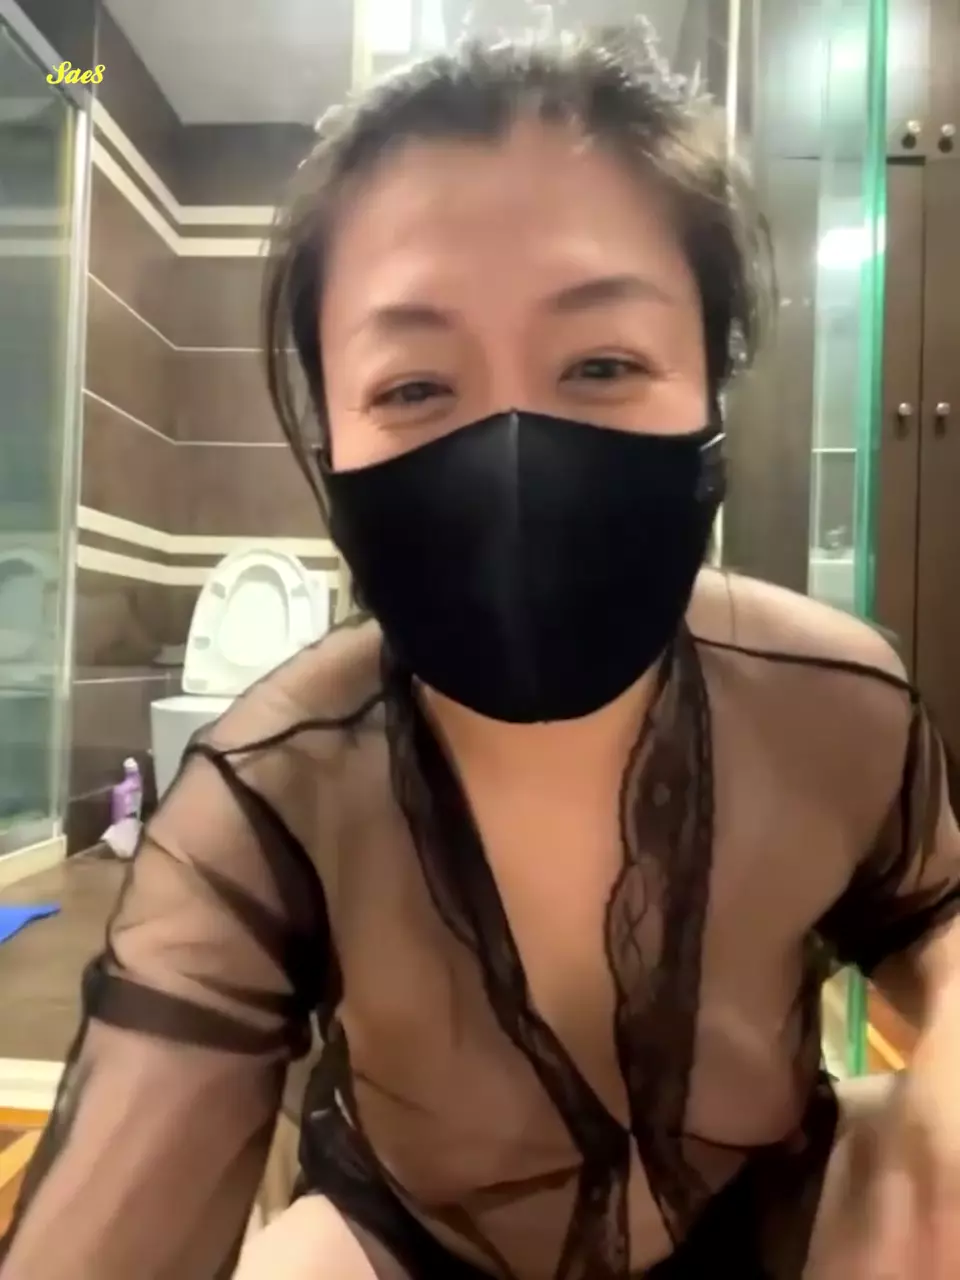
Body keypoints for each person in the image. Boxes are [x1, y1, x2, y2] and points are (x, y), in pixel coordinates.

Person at [3, 34, 960, 1280]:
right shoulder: (274, 785)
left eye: (603, 363)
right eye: (413, 386)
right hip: (409, 1241)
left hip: (769, 1217)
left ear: (712, 397)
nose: (515, 456)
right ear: (330, 440)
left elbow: (938, 913)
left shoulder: (831, 701)